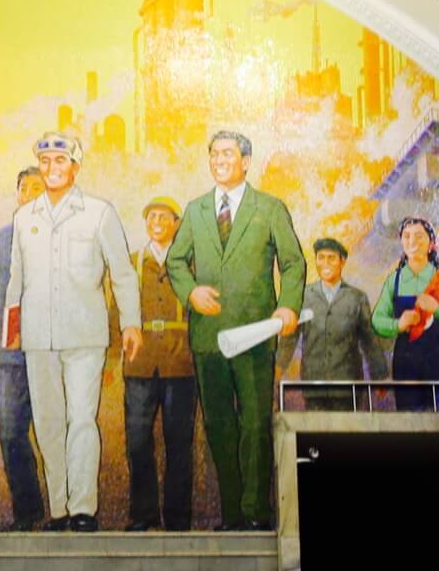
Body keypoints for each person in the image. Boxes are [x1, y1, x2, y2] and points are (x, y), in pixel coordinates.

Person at [165, 130, 305, 532]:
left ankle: (257, 512)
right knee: (220, 426)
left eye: (228, 153)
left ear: (246, 161)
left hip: (256, 335)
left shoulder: (270, 208)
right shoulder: (194, 211)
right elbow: (176, 263)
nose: (220, 160)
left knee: (256, 423)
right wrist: (191, 293)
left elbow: (293, 263)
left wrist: (288, 304)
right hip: (209, 338)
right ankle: (232, 516)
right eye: (214, 154)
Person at [2, 132, 141, 533]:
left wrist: (131, 322)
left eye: (60, 162)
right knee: (47, 422)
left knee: (81, 419)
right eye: (45, 163)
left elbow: (123, 272)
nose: (51, 169)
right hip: (37, 336)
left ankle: (83, 509)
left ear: (75, 167)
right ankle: (59, 509)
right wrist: (12, 329)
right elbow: (16, 280)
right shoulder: (24, 217)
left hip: (85, 334)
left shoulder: (99, 213)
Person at [0, 167, 49, 530]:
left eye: (39, 187)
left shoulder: (61, 236)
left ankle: (68, 512)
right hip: (10, 352)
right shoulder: (0, 239)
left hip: (51, 351)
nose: (31, 193)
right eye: (25, 188)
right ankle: (28, 509)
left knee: (54, 431)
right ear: (17, 194)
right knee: (10, 432)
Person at [122, 196, 196, 531]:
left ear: (176, 223)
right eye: (151, 216)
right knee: (137, 441)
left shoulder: (190, 264)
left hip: (181, 364)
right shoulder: (132, 262)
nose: (156, 222)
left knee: (179, 443)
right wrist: (113, 357)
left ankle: (178, 519)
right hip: (139, 365)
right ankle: (143, 515)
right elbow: (117, 309)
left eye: (164, 217)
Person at [371, 216, 439, 411]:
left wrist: (438, 309)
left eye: (419, 236)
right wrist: (398, 324)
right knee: (410, 422)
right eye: (407, 236)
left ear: (431, 243)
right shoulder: (395, 280)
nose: (412, 242)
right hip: (406, 362)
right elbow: (377, 320)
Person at [289, 236, 381, 411]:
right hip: (313, 384)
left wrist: (380, 376)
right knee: (314, 435)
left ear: (342, 261)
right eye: (321, 257)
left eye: (331, 258)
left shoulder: (357, 298)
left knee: (346, 436)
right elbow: (290, 338)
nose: (325, 263)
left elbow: (369, 340)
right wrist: (277, 369)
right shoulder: (304, 296)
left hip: (347, 385)